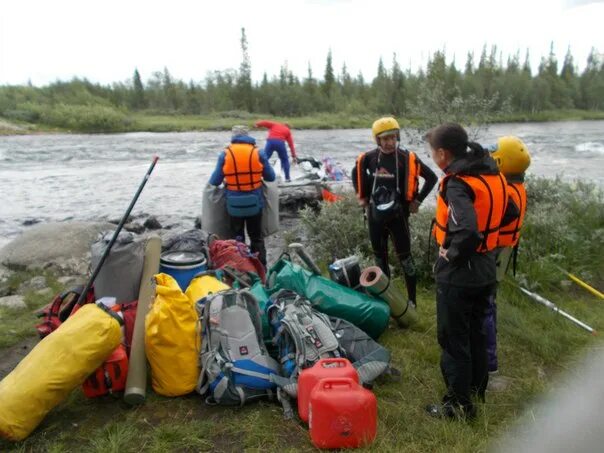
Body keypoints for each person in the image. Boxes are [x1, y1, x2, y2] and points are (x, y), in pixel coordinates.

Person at [425, 123, 518, 420]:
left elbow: (466, 230)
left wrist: (450, 253)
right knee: (477, 333)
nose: (433, 158)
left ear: (442, 153)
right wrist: (488, 242)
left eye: (432, 153)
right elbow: (511, 212)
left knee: (454, 339)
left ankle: (457, 405)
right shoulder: (493, 174)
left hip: (460, 274)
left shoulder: (457, 182)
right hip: (486, 269)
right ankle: (477, 389)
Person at [352, 117, 437, 309]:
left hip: (399, 218)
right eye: (385, 139)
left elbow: (431, 178)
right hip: (375, 218)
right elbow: (354, 173)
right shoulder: (369, 158)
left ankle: (412, 302)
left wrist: (418, 201)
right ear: (377, 140)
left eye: (393, 138)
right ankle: (386, 302)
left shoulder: (407, 158)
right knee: (380, 260)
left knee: (406, 259)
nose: (390, 142)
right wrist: (361, 197)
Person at [485, 136, 531, 376]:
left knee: (485, 307)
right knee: (489, 305)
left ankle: (489, 362)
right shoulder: (517, 186)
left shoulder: (507, 193)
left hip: (494, 253)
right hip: (503, 252)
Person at [209, 125, 275, 266]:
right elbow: (271, 177)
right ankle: (261, 268)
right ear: (247, 137)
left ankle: (240, 268)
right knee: (256, 238)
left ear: (233, 138)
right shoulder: (259, 153)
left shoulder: (225, 154)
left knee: (236, 239)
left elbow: (215, 181)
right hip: (255, 205)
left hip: (233, 207)